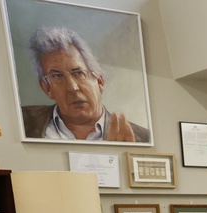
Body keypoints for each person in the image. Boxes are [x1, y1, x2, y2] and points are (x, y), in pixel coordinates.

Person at [22, 27, 150, 142]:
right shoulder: (22, 122)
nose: (72, 87)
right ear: (47, 88)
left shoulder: (141, 138)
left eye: (78, 73)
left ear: (99, 81)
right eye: (57, 76)